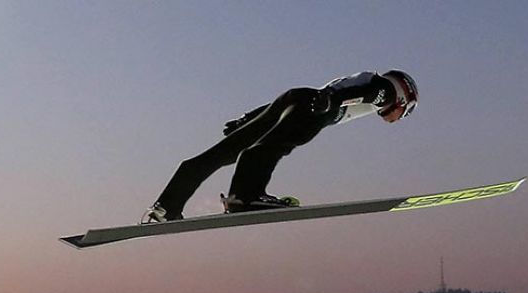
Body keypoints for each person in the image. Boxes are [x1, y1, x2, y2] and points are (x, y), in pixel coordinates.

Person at [142, 70, 418, 222]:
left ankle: (167, 205)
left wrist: (248, 119)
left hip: (297, 98)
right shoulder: (386, 91)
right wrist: (333, 101)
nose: (397, 119)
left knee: (222, 153)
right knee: (275, 145)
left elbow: (285, 105)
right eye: (405, 113)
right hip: (317, 107)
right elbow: (365, 93)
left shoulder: (369, 81)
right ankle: (244, 197)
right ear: (403, 98)